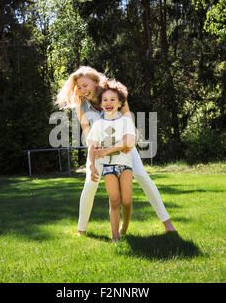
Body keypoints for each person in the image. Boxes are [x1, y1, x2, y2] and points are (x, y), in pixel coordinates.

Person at [56, 66, 176, 235]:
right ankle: (81, 230)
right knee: (91, 182)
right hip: (99, 147)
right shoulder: (80, 104)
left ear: (96, 82)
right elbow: (87, 131)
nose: (82, 91)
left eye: (85, 86)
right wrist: (93, 158)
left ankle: (167, 223)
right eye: (79, 88)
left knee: (142, 175)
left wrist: (130, 142)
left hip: (123, 145)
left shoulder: (114, 94)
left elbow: (129, 120)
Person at [86, 81, 136, 242]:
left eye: (113, 99)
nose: (109, 103)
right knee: (114, 200)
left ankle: (125, 225)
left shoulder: (126, 122)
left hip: (125, 166)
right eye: (105, 100)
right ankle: (115, 236)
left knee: (127, 201)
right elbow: (92, 147)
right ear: (100, 104)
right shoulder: (98, 125)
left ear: (120, 103)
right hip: (108, 167)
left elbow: (127, 142)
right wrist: (92, 165)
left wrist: (106, 150)